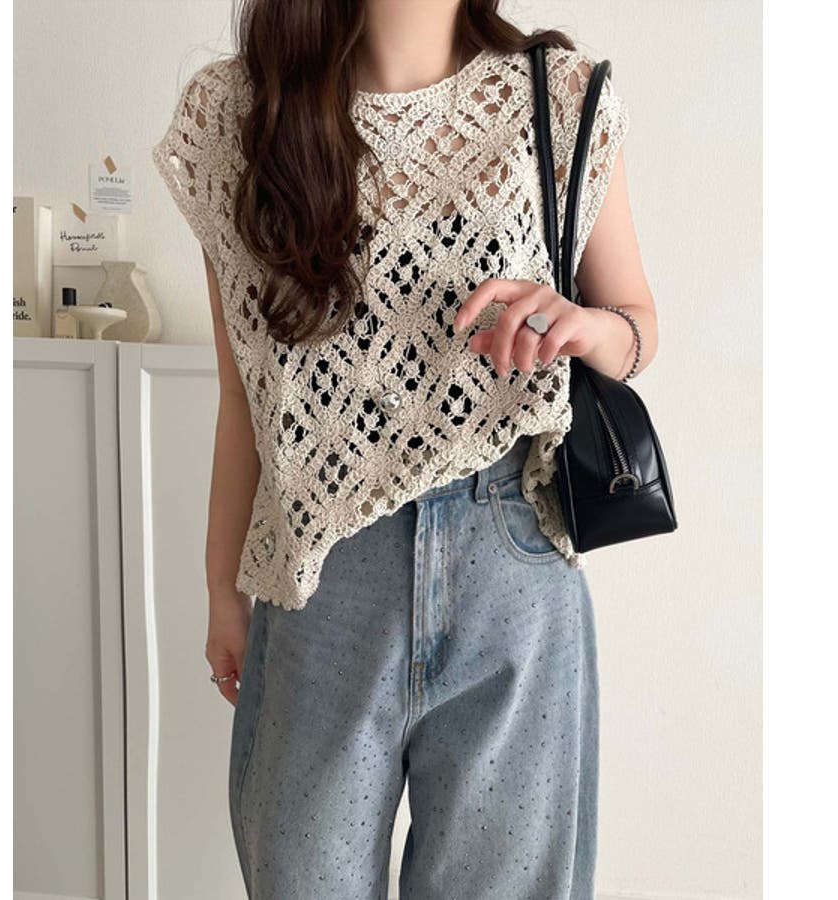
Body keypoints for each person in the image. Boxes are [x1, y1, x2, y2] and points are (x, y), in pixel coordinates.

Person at [152, 1, 658, 897]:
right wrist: (221, 587)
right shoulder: (239, 116)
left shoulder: (558, 96)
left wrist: (584, 327)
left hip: (512, 565)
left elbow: (636, 326)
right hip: (319, 582)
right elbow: (243, 395)